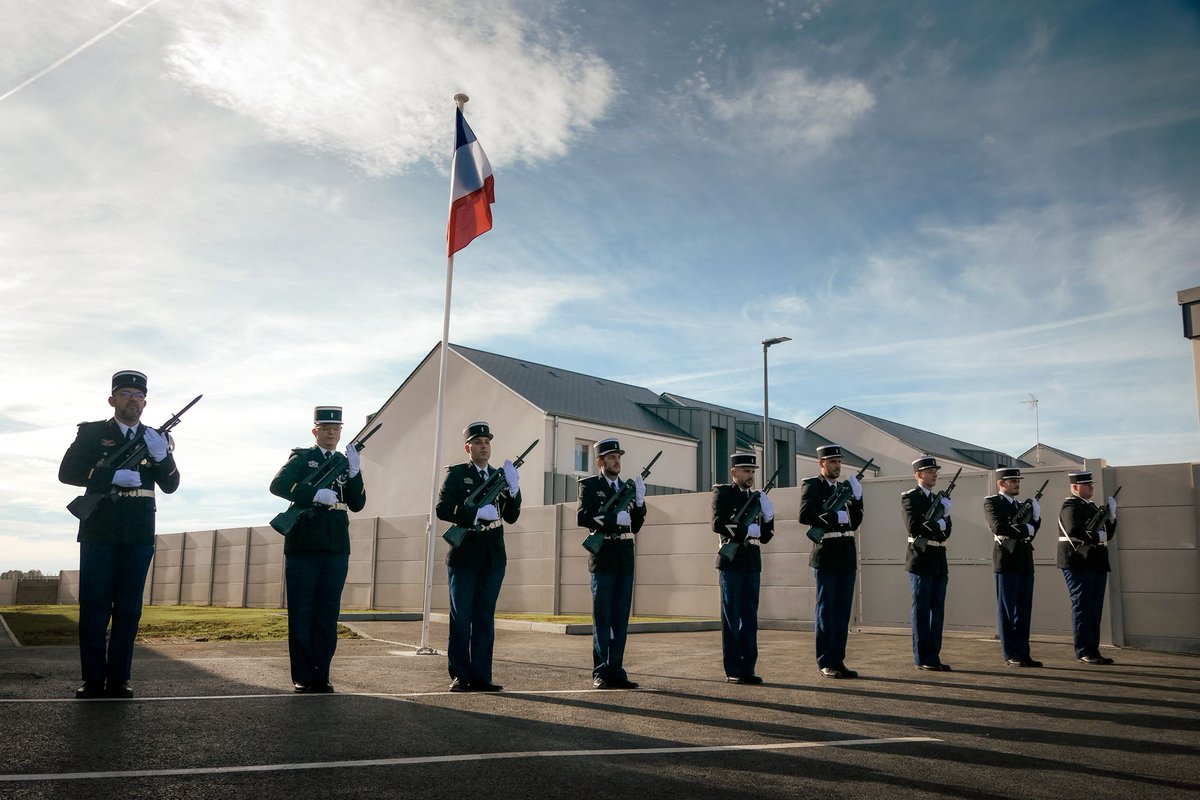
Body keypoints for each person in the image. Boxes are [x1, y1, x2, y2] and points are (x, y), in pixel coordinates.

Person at [58, 370, 181, 699]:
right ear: (112, 399)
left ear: (145, 403)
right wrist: (110, 476)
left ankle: (119, 679)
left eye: (138, 396)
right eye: (126, 394)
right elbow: (67, 472)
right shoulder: (92, 433)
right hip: (100, 528)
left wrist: (162, 456)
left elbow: (171, 484)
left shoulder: (154, 438)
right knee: (94, 606)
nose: (133, 400)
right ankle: (93, 679)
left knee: (129, 608)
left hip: (139, 531)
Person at [269, 406, 366, 693]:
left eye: (336, 429)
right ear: (315, 431)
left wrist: (355, 472)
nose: (332, 433)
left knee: (327, 613)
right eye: (326, 428)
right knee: (302, 611)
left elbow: (358, 504)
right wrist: (313, 494)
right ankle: (302, 675)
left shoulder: (344, 462)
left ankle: (321, 674)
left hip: (336, 544)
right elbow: (278, 485)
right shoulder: (303, 458)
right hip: (305, 543)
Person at [435, 421, 521, 692]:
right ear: (467, 448)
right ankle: (460, 675)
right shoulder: (458, 474)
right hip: (464, 554)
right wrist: (474, 514)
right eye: (478, 442)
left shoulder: (499, 476)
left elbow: (511, 516)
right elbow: (442, 508)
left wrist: (514, 489)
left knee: (484, 618)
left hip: (493, 555)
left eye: (487, 442)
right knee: (461, 618)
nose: (484, 446)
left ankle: (482, 676)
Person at [577, 438, 646, 689]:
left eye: (618, 457)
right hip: (603, 556)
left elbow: (635, 525)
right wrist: (612, 519)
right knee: (603, 616)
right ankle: (601, 671)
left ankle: (616, 670)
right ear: (600, 462)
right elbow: (583, 517)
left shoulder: (627, 488)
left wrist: (640, 504)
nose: (616, 461)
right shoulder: (590, 486)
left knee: (620, 618)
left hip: (624, 556)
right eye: (611, 457)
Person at [799, 444, 864, 679]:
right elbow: (805, 515)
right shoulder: (813, 485)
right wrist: (834, 515)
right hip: (826, 552)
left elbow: (854, 521)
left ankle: (839, 660)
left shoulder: (843, 488)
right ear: (822, 463)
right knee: (826, 610)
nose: (837, 466)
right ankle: (826, 661)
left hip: (846, 554)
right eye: (833, 462)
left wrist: (857, 499)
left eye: (839, 462)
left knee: (842, 612)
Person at [711, 452, 775, 684]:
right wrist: (745, 531)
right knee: (732, 615)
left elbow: (765, 536)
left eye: (752, 471)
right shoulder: (723, 493)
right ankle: (733, 669)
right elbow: (717, 523)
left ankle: (748, 667)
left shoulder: (757, 497)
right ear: (734, 472)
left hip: (751, 561)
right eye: (746, 471)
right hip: (732, 561)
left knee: (749, 617)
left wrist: (768, 517)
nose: (750, 475)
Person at [1057, 471, 1118, 665]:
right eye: (1087, 484)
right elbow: (1073, 529)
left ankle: (1093, 649)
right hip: (1078, 561)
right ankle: (1084, 651)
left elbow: (1107, 534)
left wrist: (1111, 517)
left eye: (1091, 484)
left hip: (1095, 561)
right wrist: (1098, 537)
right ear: (1075, 487)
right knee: (1082, 606)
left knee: (1094, 608)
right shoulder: (1070, 505)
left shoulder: (1091, 506)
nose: (1092, 487)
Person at [984, 466, 1042, 667]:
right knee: (1007, 610)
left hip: (1024, 560)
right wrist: (1026, 527)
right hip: (1006, 561)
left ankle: (1024, 653)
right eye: (1013, 481)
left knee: (1024, 611)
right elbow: (999, 527)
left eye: (1018, 481)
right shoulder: (992, 502)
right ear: (1002, 483)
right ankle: (1010, 653)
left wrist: (1036, 518)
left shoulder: (1021, 505)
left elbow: (1031, 532)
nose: (1017, 484)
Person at [900, 456, 953, 671]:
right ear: (919, 474)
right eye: (930, 471)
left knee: (937, 610)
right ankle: (922, 657)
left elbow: (947, 532)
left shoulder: (939, 499)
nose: (935, 474)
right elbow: (914, 526)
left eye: (935, 471)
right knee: (922, 610)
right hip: (920, 558)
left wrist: (944, 516)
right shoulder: (910, 497)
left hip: (938, 557)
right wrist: (937, 524)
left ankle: (934, 656)